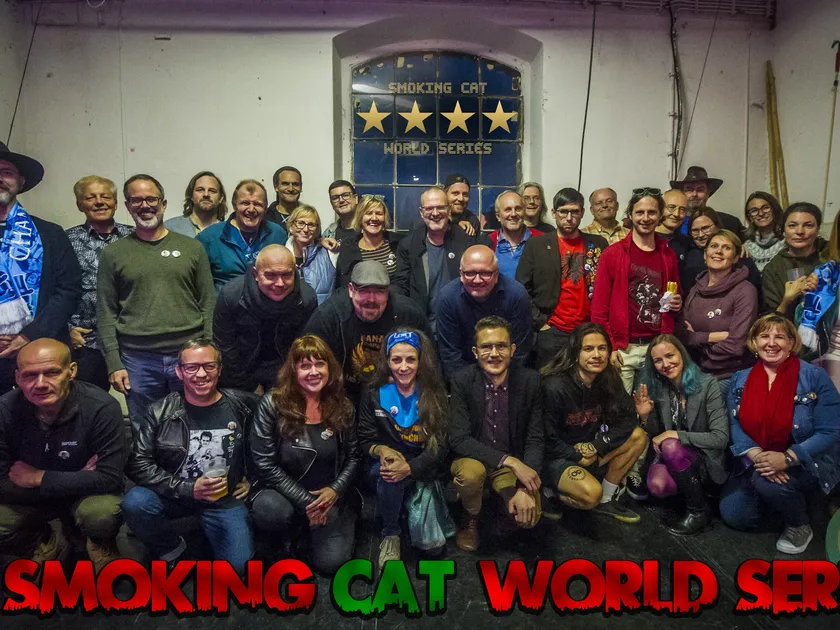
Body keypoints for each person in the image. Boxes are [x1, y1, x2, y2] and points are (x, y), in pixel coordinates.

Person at [121, 338, 256, 573]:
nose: (201, 374)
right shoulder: (160, 411)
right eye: (192, 367)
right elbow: (137, 463)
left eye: (209, 366)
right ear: (179, 372)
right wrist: (188, 488)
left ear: (219, 369)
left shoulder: (244, 405)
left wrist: (254, 479)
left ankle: (206, 534)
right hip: (175, 495)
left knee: (239, 568)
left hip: (224, 499)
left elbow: (269, 448)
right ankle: (173, 550)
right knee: (135, 502)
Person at [97, 174, 216, 432]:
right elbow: (106, 312)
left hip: (187, 355)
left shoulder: (192, 248)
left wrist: (208, 351)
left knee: (193, 426)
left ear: (163, 203)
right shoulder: (113, 254)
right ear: (127, 206)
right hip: (138, 360)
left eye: (151, 199)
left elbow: (208, 303)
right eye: (137, 200)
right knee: (146, 430)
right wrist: (114, 363)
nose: (145, 205)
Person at [0, 339, 126, 570]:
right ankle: (43, 541)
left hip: (82, 497)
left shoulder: (102, 407)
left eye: (52, 373)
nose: (40, 384)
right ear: (17, 377)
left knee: (102, 515)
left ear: (72, 371)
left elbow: (110, 478)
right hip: (35, 497)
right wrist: (79, 478)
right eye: (30, 375)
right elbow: (1, 482)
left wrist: (39, 477)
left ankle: (98, 541)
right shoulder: (4, 410)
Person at [719, 314, 840, 555]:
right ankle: (785, 502)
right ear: (754, 342)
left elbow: (830, 430)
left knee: (767, 484)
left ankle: (799, 524)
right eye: (764, 336)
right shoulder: (740, 379)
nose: (771, 343)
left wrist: (787, 458)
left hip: (806, 461)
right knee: (735, 515)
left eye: (780, 337)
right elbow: (735, 425)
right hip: (757, 460)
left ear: (791, 343)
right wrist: (758, 457)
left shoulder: (814, 376)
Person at [249, 335, 359, 574]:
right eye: (305, 366)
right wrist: (308, 503)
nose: (314, 372)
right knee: (271, 510)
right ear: (293, 371)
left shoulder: (343, 405)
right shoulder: (272, 403)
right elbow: (264, 464)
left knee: (332, 563)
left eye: (320, 364)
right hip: (282, 493)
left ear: (330, 368)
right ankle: (286, 534)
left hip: (326, 494)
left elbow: (354, 457)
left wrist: (335, 490)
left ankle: (317, 528)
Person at [448, 316, 544, 552]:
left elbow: (535, 438)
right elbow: (458, 438)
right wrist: (510, 461)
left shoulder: (531, 381)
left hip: (509, 465)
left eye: (501, 346)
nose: (494, 353)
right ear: (475, 352)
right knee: (470, 476)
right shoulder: (461, 380)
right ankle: (470, 516)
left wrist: (525, 487)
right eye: (486, 347)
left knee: (528, 517)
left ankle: (501, 512)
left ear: (512, 350)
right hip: (474, 459)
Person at [358, 329, 450, 568]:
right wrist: (381, 450)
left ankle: (408, 501)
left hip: (423, 467)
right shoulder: (373, 393)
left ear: (420, 361)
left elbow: (440, 446)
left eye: (411, 359)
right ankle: (391, 534)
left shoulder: (434, 392)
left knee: (433, 548)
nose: (403, 367)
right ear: (387, 361)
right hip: (385, 466)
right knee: (388, 474)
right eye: (396, 359)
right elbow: (365, 439)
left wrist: (410, 468)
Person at [540, 323, 649, 523]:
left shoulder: (608, 377)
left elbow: (628, 418)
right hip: (556, 457)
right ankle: (548, 492)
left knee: (638, 436)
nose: (597, 355)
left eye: (602, 348)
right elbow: (544, 439)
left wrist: (597, 446)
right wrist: (576, 455)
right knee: (591, 495)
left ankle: (606, 499)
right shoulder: (554, 386)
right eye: (588, 349)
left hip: (589, 450)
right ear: (575, 352)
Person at [0, 143, 82, 394]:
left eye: (6, 172)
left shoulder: (50, 234)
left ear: (21, 182)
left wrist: (29, 335)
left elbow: (68, 290)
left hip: (41, 353)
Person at [590, 187, 682, 393]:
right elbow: (599, 310)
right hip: (625, 349)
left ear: (660, 216)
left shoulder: (668, 255)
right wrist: (610, 346)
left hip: (658, 347)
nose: (646, 218)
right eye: (640, 212)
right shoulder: (612, 254)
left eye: (652, 212)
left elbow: (675, 298)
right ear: (630, 215)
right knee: (621, 407)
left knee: (657, 406)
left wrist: (677, 303)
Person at [636, 335, 729, 535]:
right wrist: (644, 417)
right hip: (675, 457)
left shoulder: (708, 385)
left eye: (670, 356)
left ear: (682, 354)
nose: (665, 364)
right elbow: (656, 436)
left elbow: (720, 438)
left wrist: (675, 434)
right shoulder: (659, 387)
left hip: (705, 458)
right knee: (657, 486)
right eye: (658, 360)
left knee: (670, 444)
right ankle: (693, 492)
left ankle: (698, 511)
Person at [305, 261, 430, 401]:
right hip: (342, 396)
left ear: (388, 292)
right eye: (364, 290)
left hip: (395, 394)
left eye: (379, 291)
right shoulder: (328, 317)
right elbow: (307, 365)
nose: (371, 299)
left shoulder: (409, 315)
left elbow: (429, 366)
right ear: (351, 290)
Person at [517, 187, 608, 368]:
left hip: (588, 329)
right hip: (552, 330)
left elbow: (608, 286)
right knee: (550, 380)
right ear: (554, 213)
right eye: (563, 212)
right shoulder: (537, 244)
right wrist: (540, 322)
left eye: (574, 212)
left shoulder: (598, 243)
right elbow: (521, 286)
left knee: (586, 380)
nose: (569, 217)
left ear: (582, 213)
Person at [213, 245, 318, 393]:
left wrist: (288, 381)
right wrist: (249, 386)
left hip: (286, 371)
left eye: (286, 275)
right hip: (241, 371)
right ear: (256, 274)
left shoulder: (306, 298)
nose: (280, 283)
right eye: (270, 275)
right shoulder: (231, 296)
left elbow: (304, 349)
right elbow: (226, 349)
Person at [66, 175, 133, 391]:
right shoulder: (66, 240)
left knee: (142, 401)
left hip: (130, 338)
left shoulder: (135, 237)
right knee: (88, 401)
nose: (99, 202)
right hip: (86, 341)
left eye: (105, 196)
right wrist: (67, 330)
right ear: (80, 205)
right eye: (90, 197)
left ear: (115, 203)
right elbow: (56, 288)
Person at [393, 186, 488, 331]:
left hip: (460, 324)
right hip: (420, 325)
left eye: (441, 207)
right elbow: (401, 286)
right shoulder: (408, 246)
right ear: (421, 212)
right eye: (429, 208)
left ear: (449, 210)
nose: (435, 213)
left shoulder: (467, 242)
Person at [435, 245, 533, 380]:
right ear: (461, 275)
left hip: (508, 374)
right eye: (470, 273)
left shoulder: (517, 296)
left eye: (485, 273)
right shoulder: (447, 298)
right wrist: (468, 386)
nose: (477, 280)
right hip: (464, 374)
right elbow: (451, 356)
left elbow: (519, 352)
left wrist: (501, 384)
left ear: (496, 274)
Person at [677, 230, 757, 393]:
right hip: (696, 371)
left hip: (728, 375)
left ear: (735, 258)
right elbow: (683, 334)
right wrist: (711, 337)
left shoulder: (745, 291)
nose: (719, 251)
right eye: (714, 246)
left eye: (726, 248)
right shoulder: (696, 289)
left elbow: (736, 345)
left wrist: (696, 339)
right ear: (705, 255)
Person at [197, 179, 287, 293]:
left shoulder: (277, 234)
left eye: (258, 204)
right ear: (234, 205)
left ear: (265, 208)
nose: (251, 209)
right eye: (245, 203)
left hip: (266, 301)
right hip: (225, 302)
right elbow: (197, 283)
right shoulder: (209, 238)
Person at [762, 202, 830, 319]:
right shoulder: (773, 269)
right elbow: (771, 320)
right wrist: (787, 300)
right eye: (792, 226)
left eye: (808, 225)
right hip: (789, 327)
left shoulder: (831, 255)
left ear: (818, 229)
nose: (800, 231)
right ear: (784, 230)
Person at [678, 208, 763, 298]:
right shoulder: (686, 255)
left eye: (705, 228)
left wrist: (735, 248)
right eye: (695, 230)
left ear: (717, 226)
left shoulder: (737, 253)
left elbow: (756, 288)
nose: (700, 235)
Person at [334, 195, 402, 289]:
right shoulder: (348, 248)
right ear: (360, 218)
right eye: (368, 213)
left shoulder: (398, 243)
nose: (374, 218)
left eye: (379, 213)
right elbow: (342, 285)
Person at [670, 166, 744, 237]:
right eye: (689, 190)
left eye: (700, 190)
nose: (694, 194)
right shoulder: (672, 223)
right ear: (682, 193)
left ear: (708, 193)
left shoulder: (731, 223)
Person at [286, 205, 337, 304]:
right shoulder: (281, 254)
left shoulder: (330, 252)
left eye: (311, 225)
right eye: (300, 223)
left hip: (321, 313)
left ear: (317, 230)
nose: (306, 229)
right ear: (291, 226)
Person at [488, 191, 542, 279]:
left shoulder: (541, 239)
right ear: (498, 216)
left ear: (524, 212)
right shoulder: (489, 242)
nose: (513, 214)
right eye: (508, 209)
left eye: (518, 209)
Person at [165, 171, 228, 237]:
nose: (206, 194)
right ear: (191, 195)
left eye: (212, 191)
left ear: (221, 198)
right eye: (200, 190)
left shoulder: (229, 232)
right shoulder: (171, 228)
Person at [742, 191, 786, 272]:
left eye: (765, 208)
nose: (761, 213)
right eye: (754, 210)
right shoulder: (746, 247)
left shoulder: (789, 240)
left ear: (774, 210)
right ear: (750, 217)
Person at [323, 180, 359, 245]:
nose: (341, 200)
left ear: (355, 198)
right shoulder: (328, 233)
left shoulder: (369, 228)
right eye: (335, 198)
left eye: (345, 195)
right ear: (331, 203)